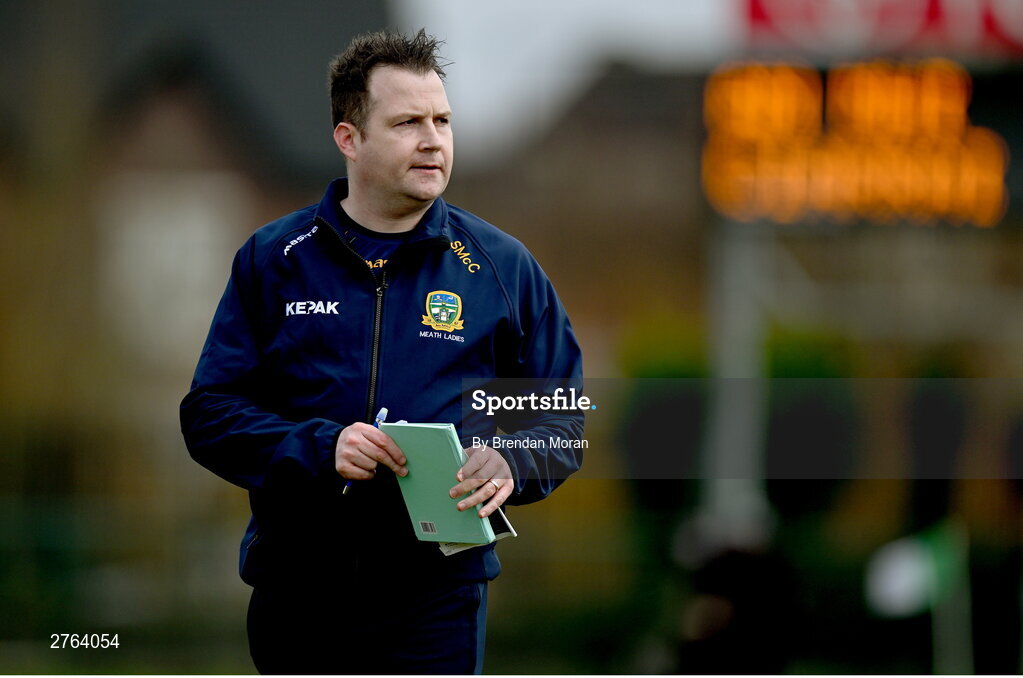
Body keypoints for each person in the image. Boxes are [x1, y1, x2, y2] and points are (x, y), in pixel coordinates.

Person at [180, 29, 584, 674]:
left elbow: (560, 414)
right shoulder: (273, 262)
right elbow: (210, 415)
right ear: (350, 138)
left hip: (437, 604)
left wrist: (509, 457)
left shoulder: (501, 269)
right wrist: (321, 448)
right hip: (299, 596)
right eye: (407, 123)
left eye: (442, 120)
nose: (433, 140)